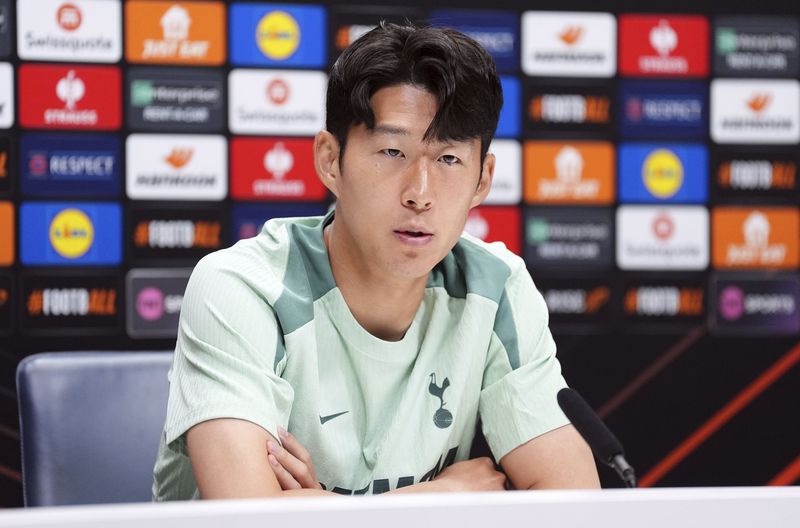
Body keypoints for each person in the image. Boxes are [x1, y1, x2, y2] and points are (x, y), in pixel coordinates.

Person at [152, 22, 599, 501]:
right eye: (392, 151)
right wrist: (438, 499)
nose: (420, 195)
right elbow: (248, 518)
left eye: (448, 159)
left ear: (483, 180)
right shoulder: (242, 287)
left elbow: (572, 502)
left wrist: (321, 509)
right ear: (330, 160)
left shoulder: (496, 288)